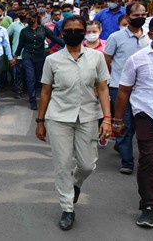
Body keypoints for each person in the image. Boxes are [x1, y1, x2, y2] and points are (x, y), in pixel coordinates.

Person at [34, 14, 111, 231]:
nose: (74, 34)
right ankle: (67, 208)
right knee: (62, 164)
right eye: (69, 31)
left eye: (79, 30)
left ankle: (75, 184)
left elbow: (103, 88)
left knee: (87, 164)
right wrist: (40, 121)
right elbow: (46, 92)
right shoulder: (52, 60)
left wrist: (107, 118)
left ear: (84, 32)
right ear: (62, 33)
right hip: (58, 117)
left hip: (88, 115)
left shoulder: (96, 58)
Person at [114, 15, 153, 228]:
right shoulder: (138, 58)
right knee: (150, 159)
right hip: (148, 114)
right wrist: (116, 119)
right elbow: (124, 90)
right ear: (152, 34)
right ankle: (148, 206)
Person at [104, 3, 151, 174]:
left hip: (144, 88)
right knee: (124, 123)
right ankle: (128, 162)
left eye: (143, 14)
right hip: (119, 87)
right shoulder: (116, 37)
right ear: (128, 16)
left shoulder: (149, 37)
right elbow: (106, 61)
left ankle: (120, 145)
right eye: (136, 15)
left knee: (141, 124)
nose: (140, 17)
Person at [15, 11, 65, 110]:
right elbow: (20, 45)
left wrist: (67, 45)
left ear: (35, 18)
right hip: (27, 56)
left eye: (30, 18)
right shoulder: (24, 31)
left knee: (39, 77)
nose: (27, 20)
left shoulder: (43, 29)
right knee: (30, 78)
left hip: (40, 56)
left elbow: (54, 38)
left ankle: (42, 97)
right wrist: (15, 57)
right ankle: (32, 99)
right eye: (27, 18)